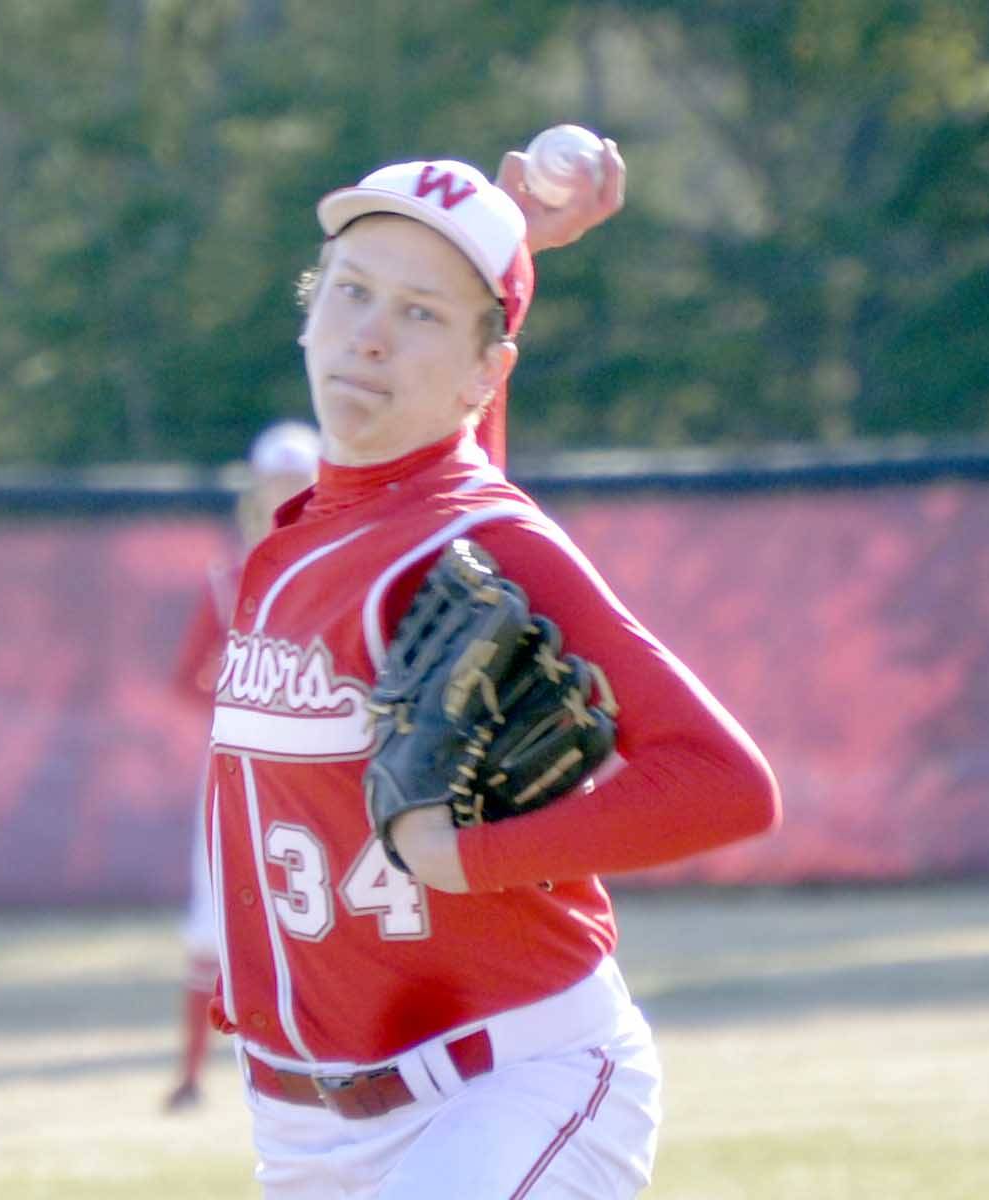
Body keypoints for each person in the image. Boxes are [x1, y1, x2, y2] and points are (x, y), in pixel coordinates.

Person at [202, 138, 781, 1198]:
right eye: (351, 292)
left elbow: (724, 784)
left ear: (486, 369)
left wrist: (465, 860)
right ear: (309, 308)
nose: (369, 335)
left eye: (420, 313)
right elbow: (446, 456)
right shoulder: (305, 539)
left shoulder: (488, 537)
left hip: (506, 1085)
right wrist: (515, 248)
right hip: (305, 1130)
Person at [164, 419, 323, 1113]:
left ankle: (332, 1059)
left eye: (299, 481)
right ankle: (192, 1075)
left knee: (325, 915)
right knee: (213, 921)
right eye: (277, 481)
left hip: (322, 767)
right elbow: (184, 679)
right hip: (239, 767)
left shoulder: (335, 565)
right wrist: (243, 708)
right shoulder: (230, 577)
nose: (286, 492)